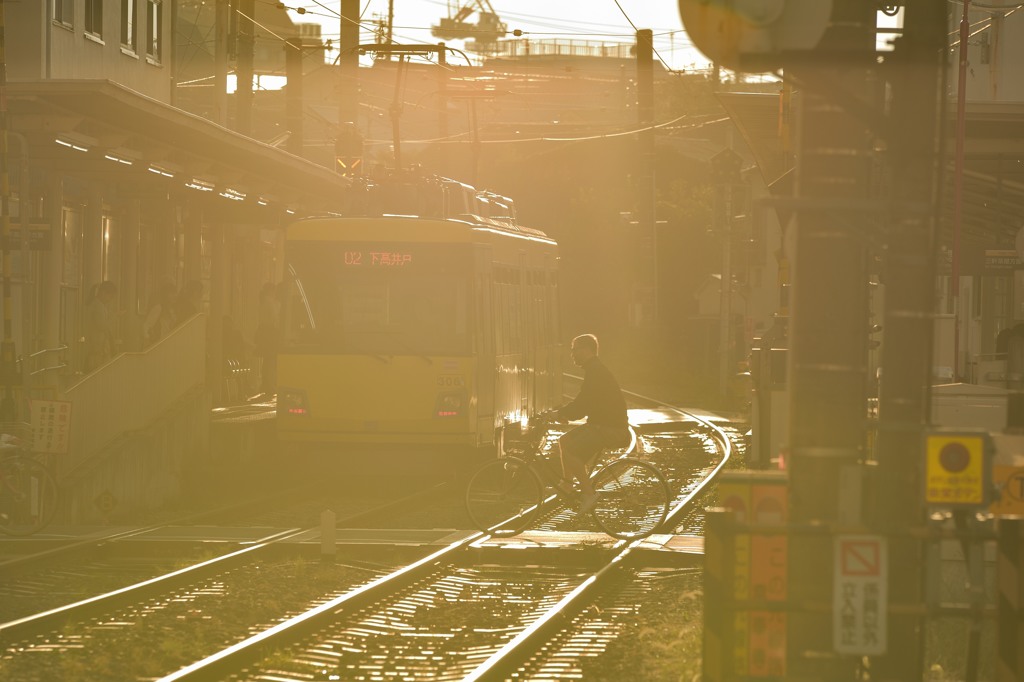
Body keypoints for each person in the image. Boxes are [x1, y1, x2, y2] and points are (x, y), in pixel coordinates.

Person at [552, 333, 630, 513]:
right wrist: (564, 413)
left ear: (587, 350)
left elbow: (583, 403)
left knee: (572, 453)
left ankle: (589, 494)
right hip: (603, 424)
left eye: (575, 350)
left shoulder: (596, 372)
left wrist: (561, 414)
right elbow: (585, 402)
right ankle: (567, 484)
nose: (572, 354)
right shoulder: (594, 369)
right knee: (564, 441)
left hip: (609, 428)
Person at [83, 280, 118, 372]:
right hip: (98, 351)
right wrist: (115, 316)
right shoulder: (98, 306)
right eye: (110, 296)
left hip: (97, 349)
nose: (110, 299)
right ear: (103, 292)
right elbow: (103, 326)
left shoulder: (97, 305)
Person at [255, 282, 281, 393]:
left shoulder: (263, 301)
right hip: (269, 333)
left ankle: (265, 384)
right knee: (270, 359)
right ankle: (270, 385)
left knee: (267, 359)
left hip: (263, 332)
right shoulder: (270, 302)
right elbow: (275, 318)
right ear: (271, 290)